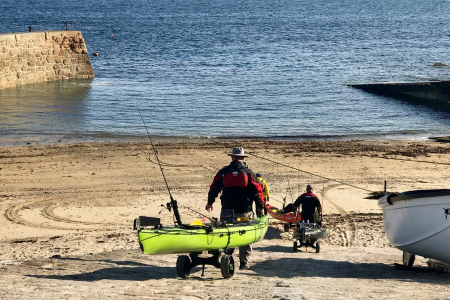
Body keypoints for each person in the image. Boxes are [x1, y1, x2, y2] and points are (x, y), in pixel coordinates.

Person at [206, 147, 264, 270]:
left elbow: (214, 187)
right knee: (245, 236)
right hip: (245, 210)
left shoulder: (223, 172)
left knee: (227, 233)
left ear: (232, 157)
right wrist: (261, 207)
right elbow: (257, 192)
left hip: (227, 209)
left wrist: (210, 203)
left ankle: (227, 257)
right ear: (243, 158)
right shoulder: (249, 173)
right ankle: (243, 263)